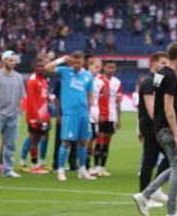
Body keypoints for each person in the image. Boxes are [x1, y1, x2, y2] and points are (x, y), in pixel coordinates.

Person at [132, 42, 177, 216]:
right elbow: (168, 107)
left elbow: (157, 98)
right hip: (167, 127)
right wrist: (176, 132)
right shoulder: (170, 77)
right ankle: (170, 212)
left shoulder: (159, 74)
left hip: (159, 127)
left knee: (175, 167)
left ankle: (145, 195)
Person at [44, 51, 96, 181]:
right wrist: (61, 59)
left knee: (84, 142)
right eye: (75, 61)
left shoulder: (88, 75)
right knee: (66, 142)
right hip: (70, 113)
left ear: (84, 61)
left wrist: (93, 109)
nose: (77, 64)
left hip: (83, 113)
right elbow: (47, 68)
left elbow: (90, 94)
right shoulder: (65, 71)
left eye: (79, 61)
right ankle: (60, 170)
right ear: (71, 61)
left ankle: (82, 170)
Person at [137, 52, 170, 207]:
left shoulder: (157, 81)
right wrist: (160, 125)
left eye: (167, 63)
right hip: (152, 128)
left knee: (169, 158)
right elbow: (150, 107)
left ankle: (152, 190)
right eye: (162, 63)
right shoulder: (150, 81)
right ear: (153, 64)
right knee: (151, 161)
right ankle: (145, 195)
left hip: (155, 127)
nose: (165, 66)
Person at [0, 51, 25, 178]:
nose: (12, 63)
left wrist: (20, 111)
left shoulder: (18, 77)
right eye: (9, 60)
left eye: (14, 60)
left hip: (13, 115)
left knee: (11, 144)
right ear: (3, 61)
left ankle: (7, 170)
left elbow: (21, 97)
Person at [91, 60, 123, 176]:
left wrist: (119, 119)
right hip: (101, 115)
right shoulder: (97, 80)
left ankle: (102, 167)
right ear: (104, 68)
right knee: (99, 141)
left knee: (107, 142)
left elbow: (118, 102)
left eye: (113, 67)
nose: (111, 69)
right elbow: (93, 99)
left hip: (112, 116)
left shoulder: (117, 82)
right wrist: (96, 114)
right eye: (109, 67)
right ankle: (96, 166)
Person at [23, 56, 51, 174]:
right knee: (34, 139)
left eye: (43, 66)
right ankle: (34, 166)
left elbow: (43, 99)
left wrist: (47, 115)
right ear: (34, 67)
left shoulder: (43, 80)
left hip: (44, 115)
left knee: (42, 138)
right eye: (38, 66)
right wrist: (37, 117)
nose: (41, 68)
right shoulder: (32, 80)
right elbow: (32, 101)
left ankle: (39, 163)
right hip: (35, 116)